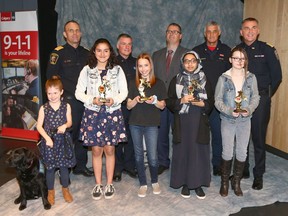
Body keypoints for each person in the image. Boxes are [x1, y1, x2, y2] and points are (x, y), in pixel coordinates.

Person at [75, 38, 128, 200]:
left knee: (110, 149)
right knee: (97, 150)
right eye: (99, 50)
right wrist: (92, 99)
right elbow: (78, 92)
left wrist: (115, 100)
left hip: (112, 113)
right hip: (93, 114)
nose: (102, 54)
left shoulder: (117, 70)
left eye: (106, 50)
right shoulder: (87, 70)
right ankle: (98, 184)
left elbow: (124, 92)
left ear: (110, 52)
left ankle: (109, 183)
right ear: (94, 52)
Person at [236, 17, 282, 190]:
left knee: (258, 138)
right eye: (246, 28)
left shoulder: (267, 50)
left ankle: (258, 174)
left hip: (260, 100)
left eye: (253, 28)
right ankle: (244, 169)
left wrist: (265, 95)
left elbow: (277, 76)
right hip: (241, 100)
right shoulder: (237, 50)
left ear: (258, 30)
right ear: (241, 32)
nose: (250, 31)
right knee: (242, 136)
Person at [46, 20, 93, 177]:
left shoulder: (87, 53)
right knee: (66, 136)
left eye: (77, 30)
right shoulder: (58, 53)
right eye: (71, 31)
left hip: (84, 102)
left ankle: (80, 165)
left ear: (80, 33)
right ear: (65, 34)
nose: (75, 33)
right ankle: (63, 168)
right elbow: (51, 77)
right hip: (68, 102)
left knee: (82, 135)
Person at [166, 51, 213, 199]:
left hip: (199, 120)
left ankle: (198, 184)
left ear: (198, 62)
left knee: (198, 151)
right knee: (184, 151)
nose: (190, 64)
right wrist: (182, 100)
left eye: (193, 61)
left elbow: (211, 103)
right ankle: (185, 183)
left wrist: (201, 103)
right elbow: (169, 101)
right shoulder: (176, 80)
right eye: (186, 61)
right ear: (182, 63)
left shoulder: (205, 79)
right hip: (182, 121)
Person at [215, 47, 260, 197]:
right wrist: (228, 110)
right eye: (236, 58)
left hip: (245, 120)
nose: (239, 61)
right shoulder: (223, 78)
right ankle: (225, 182)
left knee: (242, 151)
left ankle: (236, 182)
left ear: (245, 60)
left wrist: (250, 109)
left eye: (242, 59)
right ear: (230, 59)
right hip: (228, 120)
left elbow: (256, 97)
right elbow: (217, 100)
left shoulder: (251, 77)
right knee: (227, 151)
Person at [192, 21, 231, 176]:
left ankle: (217, 164)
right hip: (200, 101)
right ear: (204, 33)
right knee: (198, 135)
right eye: (208, 31)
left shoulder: (227, 51)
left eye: (214, 31)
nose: (212, 34)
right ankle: (198, 163)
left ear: (219, 33)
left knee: (217, 135)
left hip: (218, 102)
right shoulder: (196, 51)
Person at [127, 53, 167, 198]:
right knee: (138, 156)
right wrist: (136, 100)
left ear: (151, 66)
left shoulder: (159, 83)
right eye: (140, 66)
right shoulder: (133, 83)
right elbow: (129, 106)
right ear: (137, 67)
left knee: (152, 156)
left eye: (146, 65)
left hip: (151, 123)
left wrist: (155, 101)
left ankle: (155, 181)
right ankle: (143, 183)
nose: (143, 69)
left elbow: (162, 106)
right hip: (135, 123)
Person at [152, 23, 189, 175]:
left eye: (176, 32)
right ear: (166, 34)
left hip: (179, 101)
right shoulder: (157, 55)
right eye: (169, 31)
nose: (172, 34)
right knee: (161, 134)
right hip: (161, 101)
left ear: (180, 36)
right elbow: (152, 78)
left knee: (179, 133)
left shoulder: (187, 54)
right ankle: (163, 161)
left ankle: (180, 161)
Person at [36, 76, 76, 205]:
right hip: (49, 142)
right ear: (46, 93)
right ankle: (50, 191)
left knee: (64, 167)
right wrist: (47, 138)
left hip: (63, 140)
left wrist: (65, 125)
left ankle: (65, 189)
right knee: (50, 168)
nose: (52, 96)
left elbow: (70, 121)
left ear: (61, 92)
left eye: (55, 93)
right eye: (49, 93)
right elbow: (38, 126)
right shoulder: (44, 108)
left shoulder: (66, 106)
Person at [113, 33, 137, 182]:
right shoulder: (112, 63)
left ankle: (129, 165)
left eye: (129, 44)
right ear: (117, 46)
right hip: (117, 106)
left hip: (134, 106)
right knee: (117, 137)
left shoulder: (137, 62)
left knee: (131, 136)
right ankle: (117, 167)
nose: (127, 47)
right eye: (123, 44)